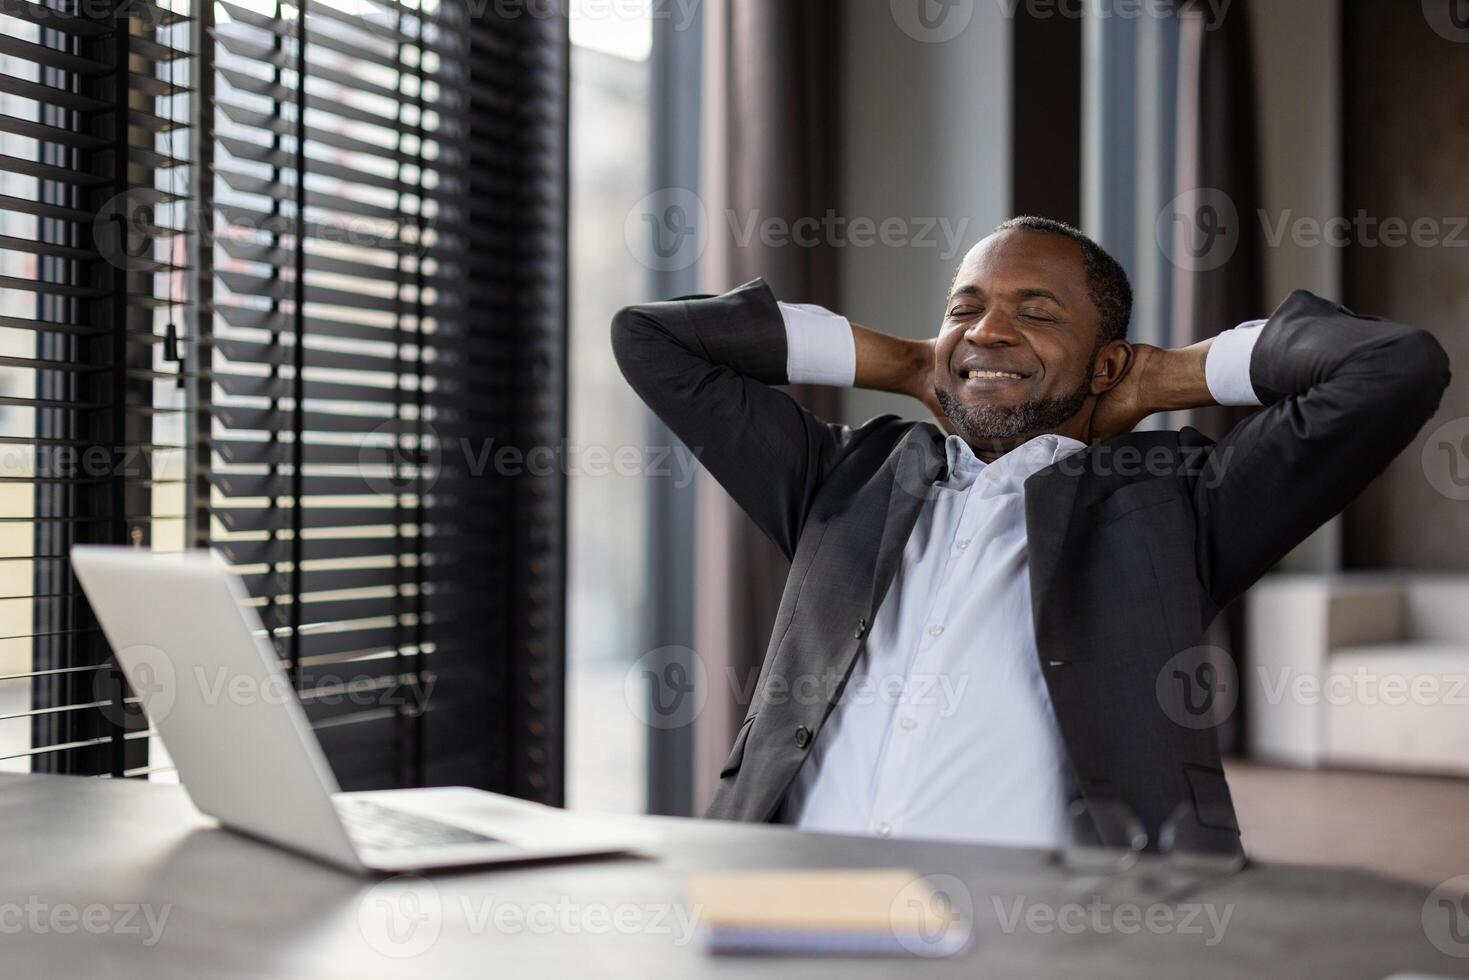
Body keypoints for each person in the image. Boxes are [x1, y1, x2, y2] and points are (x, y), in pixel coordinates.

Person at [611, 216, 1451, 851]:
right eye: (964, 310)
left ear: (1106, 361)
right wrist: (908, 362)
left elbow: (1391, 368)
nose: (986, 330)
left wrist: (1169, 374)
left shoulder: (1175, 503)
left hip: (1049, 944)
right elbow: (652, 338)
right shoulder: (839, 475)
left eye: (1035, 313)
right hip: (791, 912)